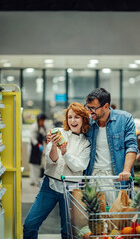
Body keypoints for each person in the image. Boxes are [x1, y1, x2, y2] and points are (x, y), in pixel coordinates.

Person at [23, 102, 91, 239]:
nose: (73, 120)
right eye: (70, 117)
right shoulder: (58, 133)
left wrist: (65, 152)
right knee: (30, 224)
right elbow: (51, 160)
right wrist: (53, 145)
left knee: (67, 231)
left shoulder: (86, 143)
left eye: (77, 117)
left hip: (72, 189)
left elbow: (79, 166)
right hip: (50, 186)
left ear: (83, 119)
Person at [84, 88, 138, 205]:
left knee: (117, 219)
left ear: (106, 106)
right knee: (95, 220)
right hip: (93, 177)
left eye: (93, 108)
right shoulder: (87, 122)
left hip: (116, 177)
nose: (89, 111)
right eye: (88, 107)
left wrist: (126, 171)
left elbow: (131, 146)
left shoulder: (124, 119)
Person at [29, 113, 47, 186]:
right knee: (33, 165)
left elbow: (44, 136)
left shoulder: (44, 127)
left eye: (43, 120)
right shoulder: (34, 127)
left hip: (39, 148)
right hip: (33, 148)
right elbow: (32, 137)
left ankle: (35, 180)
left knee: (37, 165)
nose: (42, 122)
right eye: (41, 120)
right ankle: (34, 181)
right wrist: (38, 144)